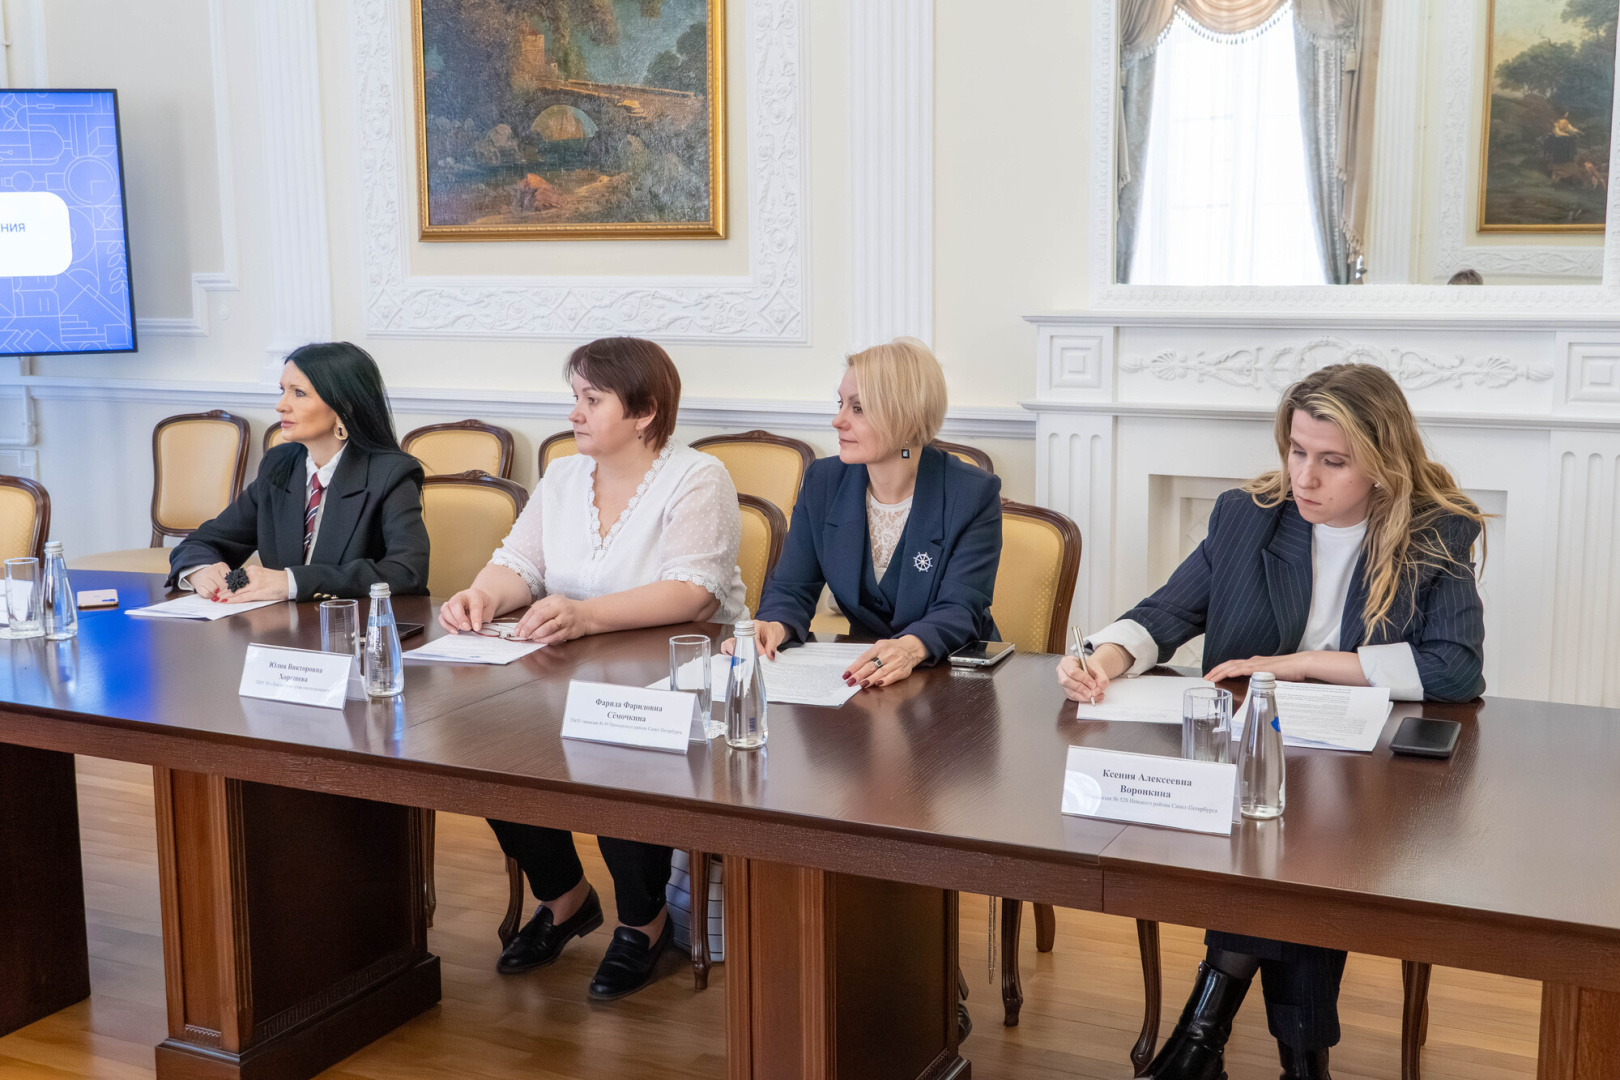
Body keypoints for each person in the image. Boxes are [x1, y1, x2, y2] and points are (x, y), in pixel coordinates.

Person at [1059, 363, 1485, 1080]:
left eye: (1333, 461)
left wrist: (1306, 664)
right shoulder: (1248, 516)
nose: (1305, 478)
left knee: (1305, 844)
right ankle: (1295, 1064)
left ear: (1382, 463)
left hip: (1370, 777)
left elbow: (1455, 669)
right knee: (1288, 842)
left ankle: (1202, 1035)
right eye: (1297, 451)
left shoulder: (1434, 529)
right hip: (1256, 761)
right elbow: (1166, 613)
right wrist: (1101, 660)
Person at [437, 336, 746, 1001]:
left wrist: (583, 615)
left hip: (680, 676)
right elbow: (520, 563)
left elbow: (693, 593)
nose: (574, 412)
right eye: (574, 397)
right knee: (483, 740)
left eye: (592, 399)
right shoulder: (562, 476)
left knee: (613, 750)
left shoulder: (698, 477)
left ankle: (644, 923)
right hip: (572, 671)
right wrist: (482, 595)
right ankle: (565, 897)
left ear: (644, 411)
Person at [741, 337, 1002, 688]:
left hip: (952, 677)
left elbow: (960, 608)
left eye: (858, 408)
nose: (837, 420)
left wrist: (909, 648)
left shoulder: (972, 493)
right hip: (862, 679)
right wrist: (774, 625)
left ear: (907, 417)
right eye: (841, 404)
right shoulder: (823, 481)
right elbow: (791, 588)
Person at [167, 342, 429, 602]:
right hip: (281, 623)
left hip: (353, 624)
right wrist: (201, 571)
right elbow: (202, 543)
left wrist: (291, 582)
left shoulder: (391, 473)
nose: (281, 405)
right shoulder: (278, 464)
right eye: (283, 391)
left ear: (345, 407)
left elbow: (407, 572)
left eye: (299, 393)